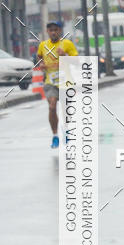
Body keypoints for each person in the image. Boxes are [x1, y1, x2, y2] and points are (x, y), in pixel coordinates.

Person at [35, 21, 78, 149]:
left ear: (60, 31)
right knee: (52, 107)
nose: (53, 32)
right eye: (51, 30)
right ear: (47, 32)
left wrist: (64, 55)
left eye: (56, 30)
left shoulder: (67, 44)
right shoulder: (43, 45)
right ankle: (55, 136)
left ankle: (66, 132)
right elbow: (39, 57)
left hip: (66, 82)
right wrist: (41, 65)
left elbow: (76, 61)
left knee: (65, 110)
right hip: (50, 82)